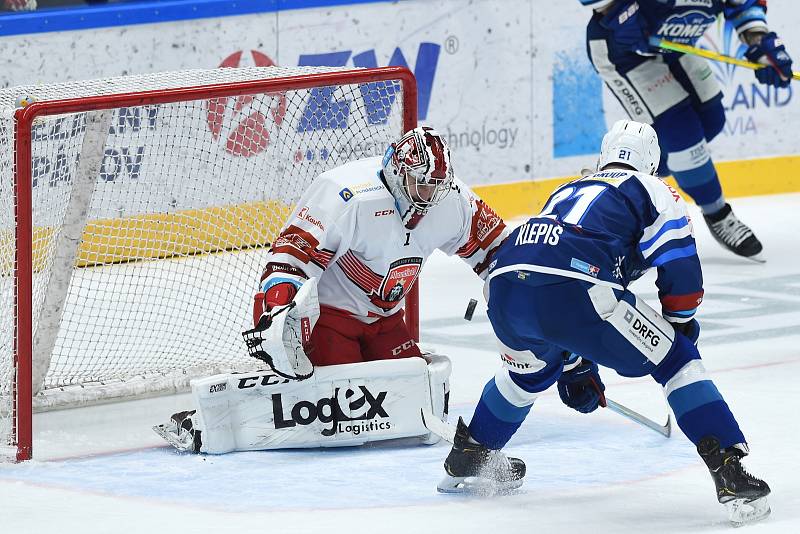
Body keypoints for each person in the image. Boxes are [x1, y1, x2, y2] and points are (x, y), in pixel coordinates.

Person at [438, 120, 770, 526]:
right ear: (653, 162)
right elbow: (680, 268)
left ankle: (472, 453)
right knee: (678, 362)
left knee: (527, 376)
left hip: (505, 290)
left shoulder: (568, 189)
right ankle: (729, 471)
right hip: (578, 287)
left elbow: (550, 292)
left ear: (603, 156)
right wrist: (679, 325)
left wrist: (577, 366)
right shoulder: (654, 189)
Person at [154, 126, 507, 454]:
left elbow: (500, 253)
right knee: (341, 411)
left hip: (386, 321)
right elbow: (290, 260)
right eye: (421, 184)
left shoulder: (452, 199)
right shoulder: (348, 194)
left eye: (436, 185)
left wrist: (528, 300)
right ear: (399, 176)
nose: (430, 195)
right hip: (331, 321)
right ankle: (209, 420)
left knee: (411, 404)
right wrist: (276, 318)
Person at [579, 0, 793, 260]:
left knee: (711, 121)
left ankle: (623, 173)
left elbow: (743, 4)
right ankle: (718, 214)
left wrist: (760, 44)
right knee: (683, 135)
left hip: (674, 43)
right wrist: (617, 12)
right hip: (623, 52)